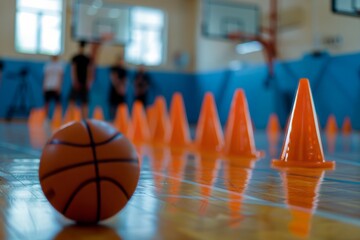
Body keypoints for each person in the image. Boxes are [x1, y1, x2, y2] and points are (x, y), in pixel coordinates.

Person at [69, 41, 92, 118]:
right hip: (77, 82)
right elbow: (73, 69)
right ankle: (71, 117)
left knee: (84, 102)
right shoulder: (75, 58)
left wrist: (88, 82)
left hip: (84, 82)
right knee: (72, 100)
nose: (82, 49)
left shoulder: (87, 59)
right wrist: (74, 80)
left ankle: (84, 119)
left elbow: (89, 71)